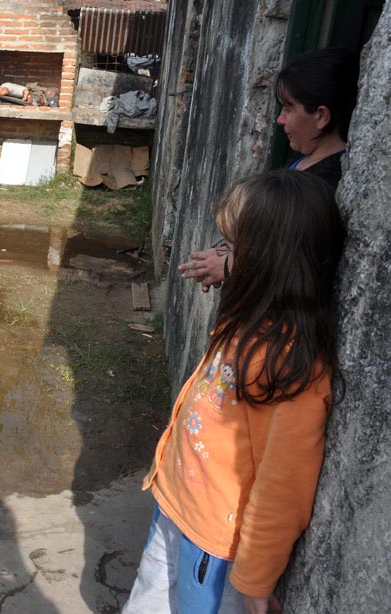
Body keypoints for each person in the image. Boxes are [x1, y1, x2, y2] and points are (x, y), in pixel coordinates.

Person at [123, 170, 345, 614]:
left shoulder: (291, 364)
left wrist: (254, 580)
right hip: (175, 508)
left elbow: (283, 487)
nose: (224, 258)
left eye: (234, 249)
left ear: (271, 261)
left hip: (214, 547)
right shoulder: (249, 319)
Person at [179, 48, 358, 291]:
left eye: (288, 108)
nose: (280, 120)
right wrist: (225, 250)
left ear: (321, 116)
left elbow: (293, 262)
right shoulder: (305, 161)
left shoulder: (329, 182)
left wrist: (231, 265)